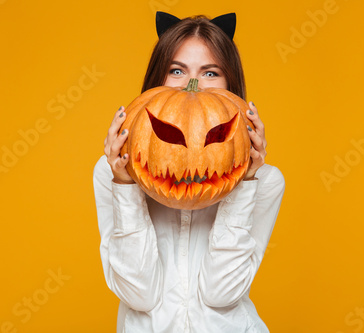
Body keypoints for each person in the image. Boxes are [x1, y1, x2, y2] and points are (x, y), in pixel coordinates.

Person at [93, 11, 285, 333]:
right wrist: (124, 185)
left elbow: (222, 293)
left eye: (210, 73)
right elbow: (138, 294)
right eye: (177, 70)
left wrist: (246, 181)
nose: (192, 85)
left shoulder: (265, 181)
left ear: (230, 85)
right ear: (158, 79)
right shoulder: (112, 171)